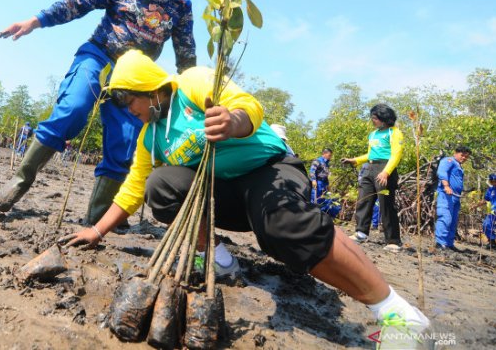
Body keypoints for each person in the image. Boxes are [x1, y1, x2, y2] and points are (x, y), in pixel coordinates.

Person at [61, 50, 429, 342]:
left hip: (269, 170)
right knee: (161, 184)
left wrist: (234, 121)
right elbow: (134, 190)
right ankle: (220, 261)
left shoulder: (192, 83)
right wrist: (96, 231)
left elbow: (248, 104)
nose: (130, 112)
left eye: (130, 102)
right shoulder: (151, 137)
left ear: (147, 87)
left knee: (282, 227)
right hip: (225, 196)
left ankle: (396, 312)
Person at [0, 0, 197, 225]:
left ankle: (97, 220)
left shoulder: (181, 5)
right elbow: (79, 1)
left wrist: (195, 98)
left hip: (136, 80)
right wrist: (36, 21)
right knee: (73, 109)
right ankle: (17, 185)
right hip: (100, 56)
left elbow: (186, 58)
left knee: (126, 141)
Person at [342, 104, 404, 252]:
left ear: (384, 119)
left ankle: (393, 240)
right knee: (364, 200)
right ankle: (361, 232)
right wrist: (355, 160)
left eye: (375, 118)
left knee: (386, 204)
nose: (372, 120)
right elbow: (370, 154)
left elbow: (396, 154)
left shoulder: (394, 133)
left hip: (384, 168)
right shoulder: (373, 134)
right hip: (369, 169)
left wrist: (386, 172)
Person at [434, 145, 472, 251]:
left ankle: (449, 244)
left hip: (455, 197)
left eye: (466, 157)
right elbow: (442, 172)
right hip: (446, 195)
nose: (464, 158)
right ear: (456, 153)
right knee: (445, 217)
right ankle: (440, 243)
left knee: (453, 221)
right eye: (462, 155)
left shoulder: (459, 165)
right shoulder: (449, 160)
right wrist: (446, 186)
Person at [309, 148, 340, 217]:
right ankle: (314, 215)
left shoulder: (326, 164)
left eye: (331, 156)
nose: (330, 157)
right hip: (318, 182)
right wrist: (313, 180)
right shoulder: (317, 161)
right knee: (316, 199)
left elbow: (325, 175)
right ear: (324, 154)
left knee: (325, 198)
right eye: (329, 155)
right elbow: (312, 171)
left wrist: (328, 185)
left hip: (324, 183)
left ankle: (324, 214)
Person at [479, 174, 496, 250]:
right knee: (486, 225)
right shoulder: (490, 190)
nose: (494, 183)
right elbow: (486, 200)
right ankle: (492, 242)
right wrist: (475, 205)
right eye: (492, 181)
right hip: (493, 213)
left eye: (495, 181)